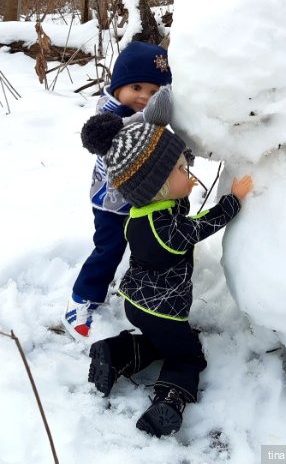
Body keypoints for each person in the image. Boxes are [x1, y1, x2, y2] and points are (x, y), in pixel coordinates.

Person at [80, 110, 253, 437]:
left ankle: (114, 354)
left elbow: (181, 211)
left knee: (160, 344)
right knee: (186, 355)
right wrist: (234, 201)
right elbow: (201, 226)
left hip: (140, 303)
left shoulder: (142, 214)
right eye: (179, 169)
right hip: (162, 310)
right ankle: (170, 400)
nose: (188, 174)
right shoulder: (164, 230)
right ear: (155, 186)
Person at [63, 41, 173, 340]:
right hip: (110, 204)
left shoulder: (155, 114)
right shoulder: (108, 115)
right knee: (109, 249)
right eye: (136, 87)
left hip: (143, 201)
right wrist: (155, 115)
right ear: (118, 86)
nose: (143, 97)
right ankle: (82, 298)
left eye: (154, 92)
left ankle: (138, 296)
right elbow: (117, 134)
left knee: (144, 251)